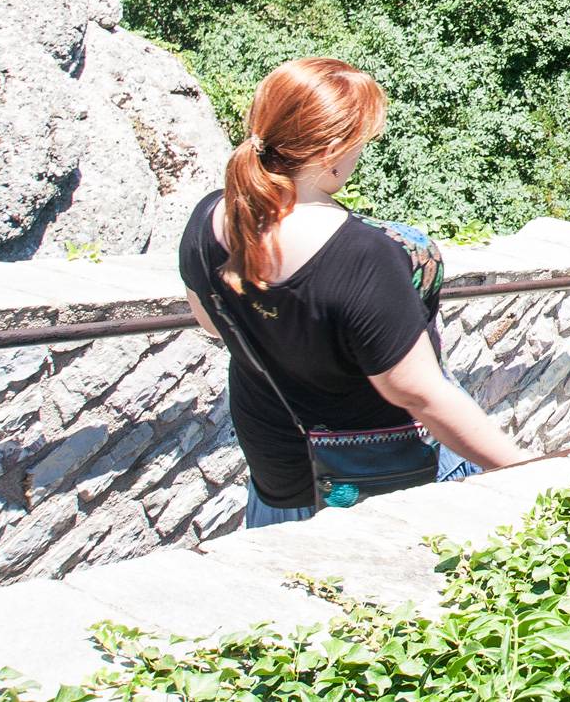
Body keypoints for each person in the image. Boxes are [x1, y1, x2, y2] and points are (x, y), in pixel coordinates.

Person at [178, 58, 528, 527]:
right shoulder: (364, 256)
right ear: (332, 150)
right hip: (374, 477)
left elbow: (209, 320)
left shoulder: (211, 218)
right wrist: (529, 474)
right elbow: (422, 397)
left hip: (278, 469)